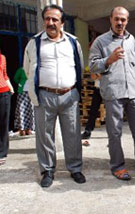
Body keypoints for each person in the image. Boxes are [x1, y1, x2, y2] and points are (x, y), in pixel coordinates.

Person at [89, 6, 135, 180]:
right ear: (110, 19)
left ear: (127, 21)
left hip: (133, 91)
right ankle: (117, 166)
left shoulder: (131, 40)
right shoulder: (100, 42)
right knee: (115, 132)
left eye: (123, 19)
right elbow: (93, 66)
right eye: (117, 19)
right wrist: (109, 60)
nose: (120, 22)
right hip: (113, 91)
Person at [23, 4, 85, 187]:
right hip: (44, 96)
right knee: (44, 135)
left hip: (69, 95)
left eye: (55, 19)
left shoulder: (73, 42)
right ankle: (47, 171)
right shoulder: (34, 43)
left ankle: (75, 168)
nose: (50, 23)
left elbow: (79, 67)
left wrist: (74, 90)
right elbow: (27, 69)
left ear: (62, 23)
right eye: (47, 19)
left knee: (73, 134)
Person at [0, 50, 14, 165]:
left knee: (3, 123)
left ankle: (2, 152)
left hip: (4, 92)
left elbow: (4, 74)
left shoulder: (2, 57)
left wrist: (11, 87)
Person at [81, 71, 102, 140]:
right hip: (98, 87)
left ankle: (113, 134)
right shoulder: (97, 61)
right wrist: (96, 75)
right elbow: (93, 75)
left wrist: (102, 75)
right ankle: (88, 131)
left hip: (109, 88)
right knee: (93, 109)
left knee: (112, 111)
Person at [14, 67, 34, 136]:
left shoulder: (33, 69)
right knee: (21, 110)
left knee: (30, 110)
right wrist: (20, 84)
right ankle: (21, 129)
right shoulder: (21, 70)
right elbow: (15, 78)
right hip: (22, 92)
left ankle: (29, 129)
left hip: (31, 92)